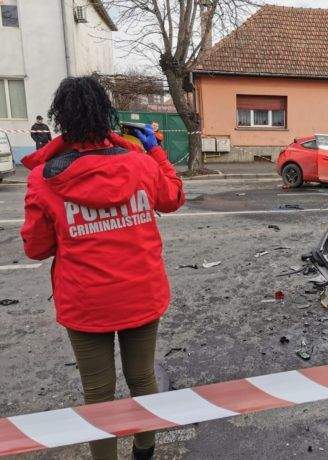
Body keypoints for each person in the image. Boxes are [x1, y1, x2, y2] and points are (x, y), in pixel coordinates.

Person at [20, 76, 185, 460]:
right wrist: (157, 153)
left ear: (62, 119)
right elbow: (173, 197)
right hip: (142, 292)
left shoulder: (44, 179)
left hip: (86, 302)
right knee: (142, 377)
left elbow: (36, 248)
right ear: (105, 113)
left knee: (98, 392)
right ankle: (145, 450)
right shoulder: (141, 164)